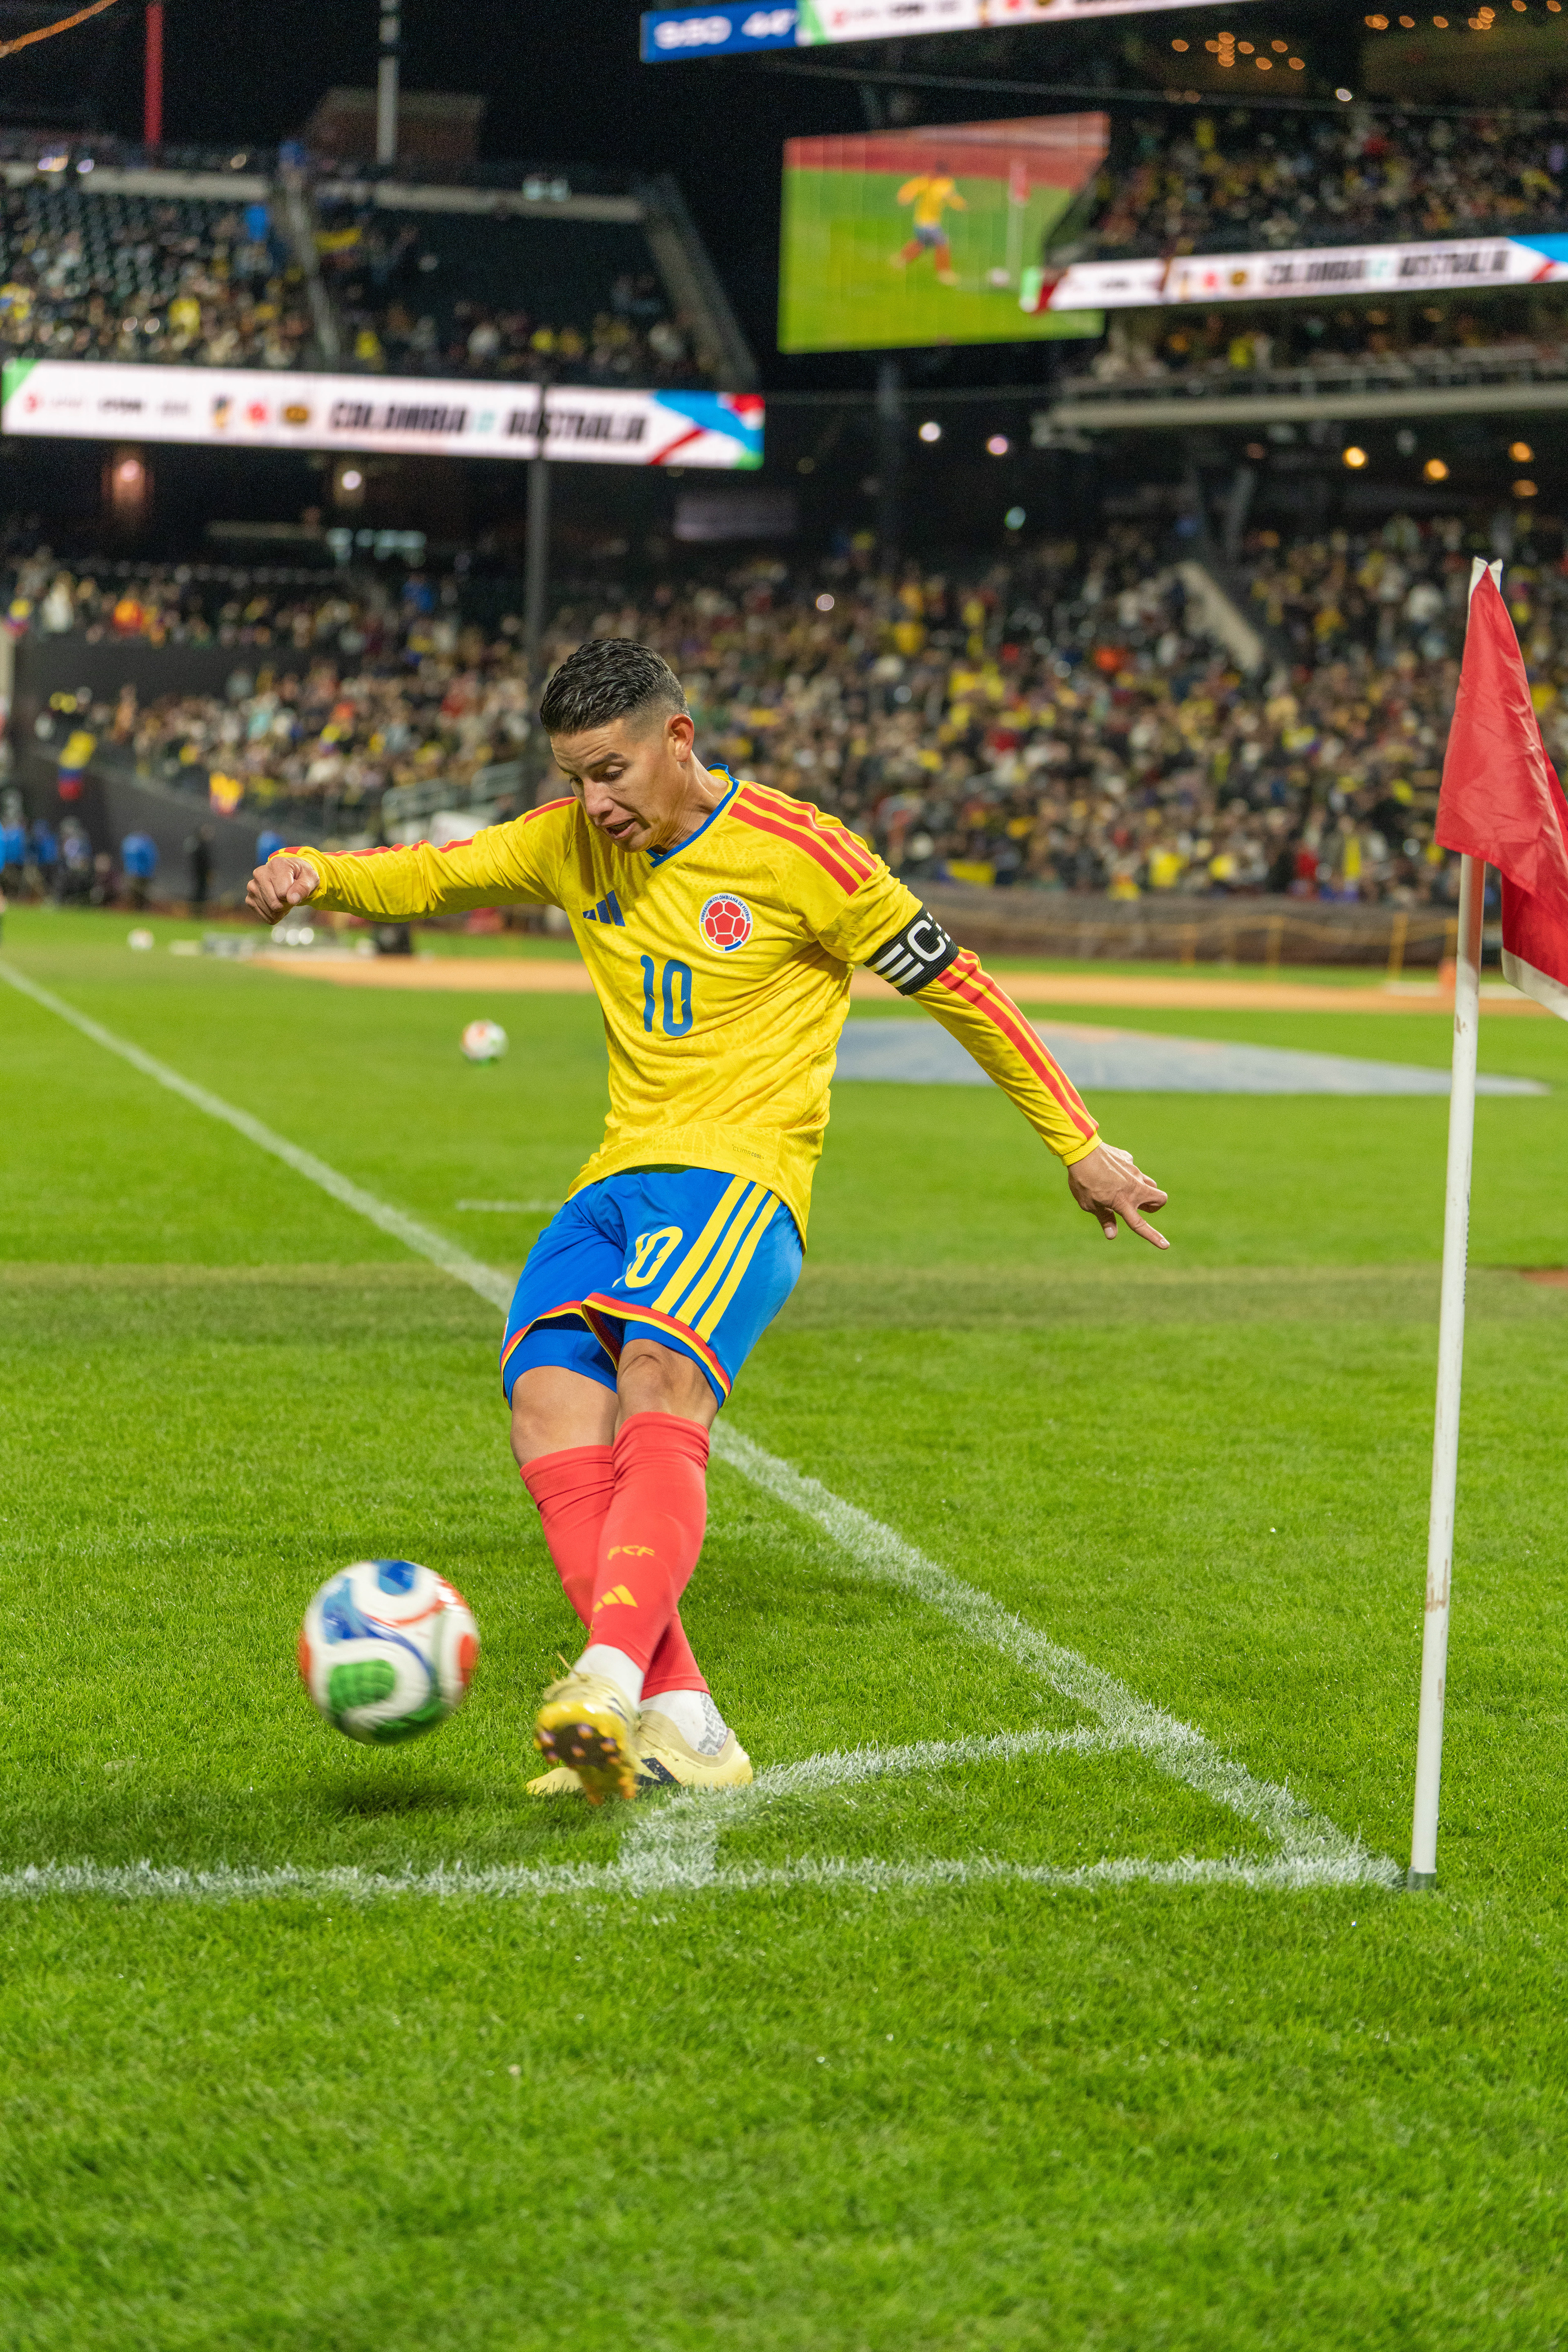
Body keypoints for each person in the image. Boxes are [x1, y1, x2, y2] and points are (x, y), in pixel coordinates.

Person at [247, 640, 1169, 1805]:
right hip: (615, 1178)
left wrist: (1079, 1143)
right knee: (545, 1403)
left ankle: (604, 1677)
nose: (597, 802)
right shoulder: (569, 840)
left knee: (658, 1385)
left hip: (737, 1181)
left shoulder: (804, 855)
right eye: (578, 777)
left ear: (679, 740)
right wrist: (316, 872)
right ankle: (683, 1721)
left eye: (615, 771)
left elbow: (960, 986)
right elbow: (432, 876)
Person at [892, 165, 966, 287]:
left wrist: (959, 204)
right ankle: (944, 274)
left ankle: (901, 260)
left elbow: (951, 197)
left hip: (931, 222)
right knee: (943, 244)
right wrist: (905, 197)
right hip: (925, 223)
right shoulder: (927, 182)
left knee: (922, 244)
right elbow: (911, 189)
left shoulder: (944, 184)